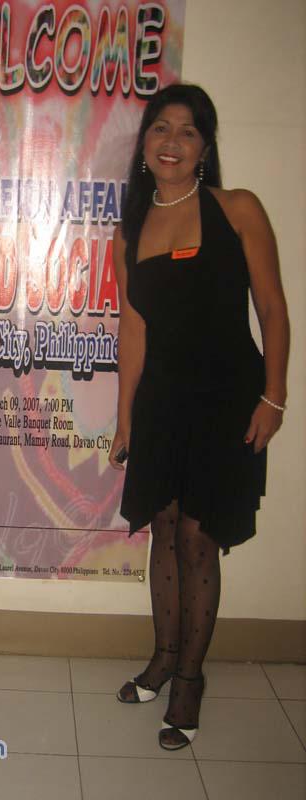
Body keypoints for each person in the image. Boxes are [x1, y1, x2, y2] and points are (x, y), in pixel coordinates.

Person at [108, 83, 289, 750]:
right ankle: (162, 657)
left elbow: (272, 309)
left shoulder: (238, 209)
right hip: (161, 400)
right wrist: (124, 419)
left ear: (205, 147)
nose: (173, 141)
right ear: (144, 144)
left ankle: (189, 679)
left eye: (188, 131)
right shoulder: (127, 231)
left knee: (196, 537)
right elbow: (133, 332)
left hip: (226, 399)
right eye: (161, 128)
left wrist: (274, 397)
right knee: (162, 526)